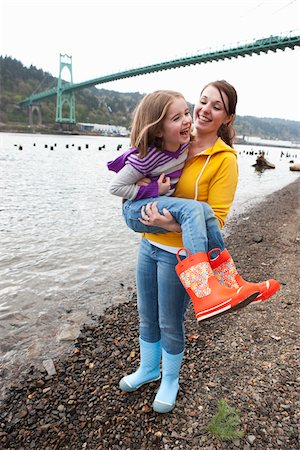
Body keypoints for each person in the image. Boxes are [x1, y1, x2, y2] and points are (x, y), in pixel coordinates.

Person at [108, 83, 280, 413]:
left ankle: (170, 378)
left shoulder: (224, 160)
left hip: (180, 254)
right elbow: (141, 165)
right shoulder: (174, 141)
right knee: (147, 316)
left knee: (171, 322)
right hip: (149, 246)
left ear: (227, 118)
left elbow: (215, 217)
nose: (204, 110)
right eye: (202, 101)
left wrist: (167, 224)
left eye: (216, 107)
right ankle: (147, 370)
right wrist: (142, 190)